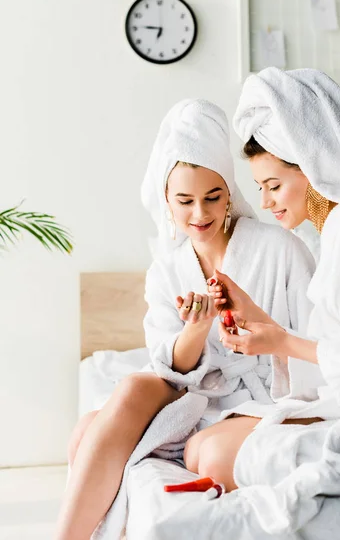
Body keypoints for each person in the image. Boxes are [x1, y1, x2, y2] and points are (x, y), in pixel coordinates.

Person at [55, 98, 315, 540]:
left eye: (213, 197)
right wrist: (196, 329)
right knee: (102, 414)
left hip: (259, 398)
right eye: (185, 201)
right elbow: (168, 368)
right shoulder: (166, 269)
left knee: (182, 449)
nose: (201, 214)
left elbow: (314, 346)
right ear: (166, 201)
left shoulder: (280, 249)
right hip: (190, 394)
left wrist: (254, 329)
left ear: (229, 192)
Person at [188, 67, 340, 534]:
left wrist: (281, 341)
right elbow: (332, 354)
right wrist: (254, 315)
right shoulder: (337, 229)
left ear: (313, 167)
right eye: (260, 187)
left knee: (216, 454)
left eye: (273, 185)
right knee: (197, 448)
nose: (264, 202)